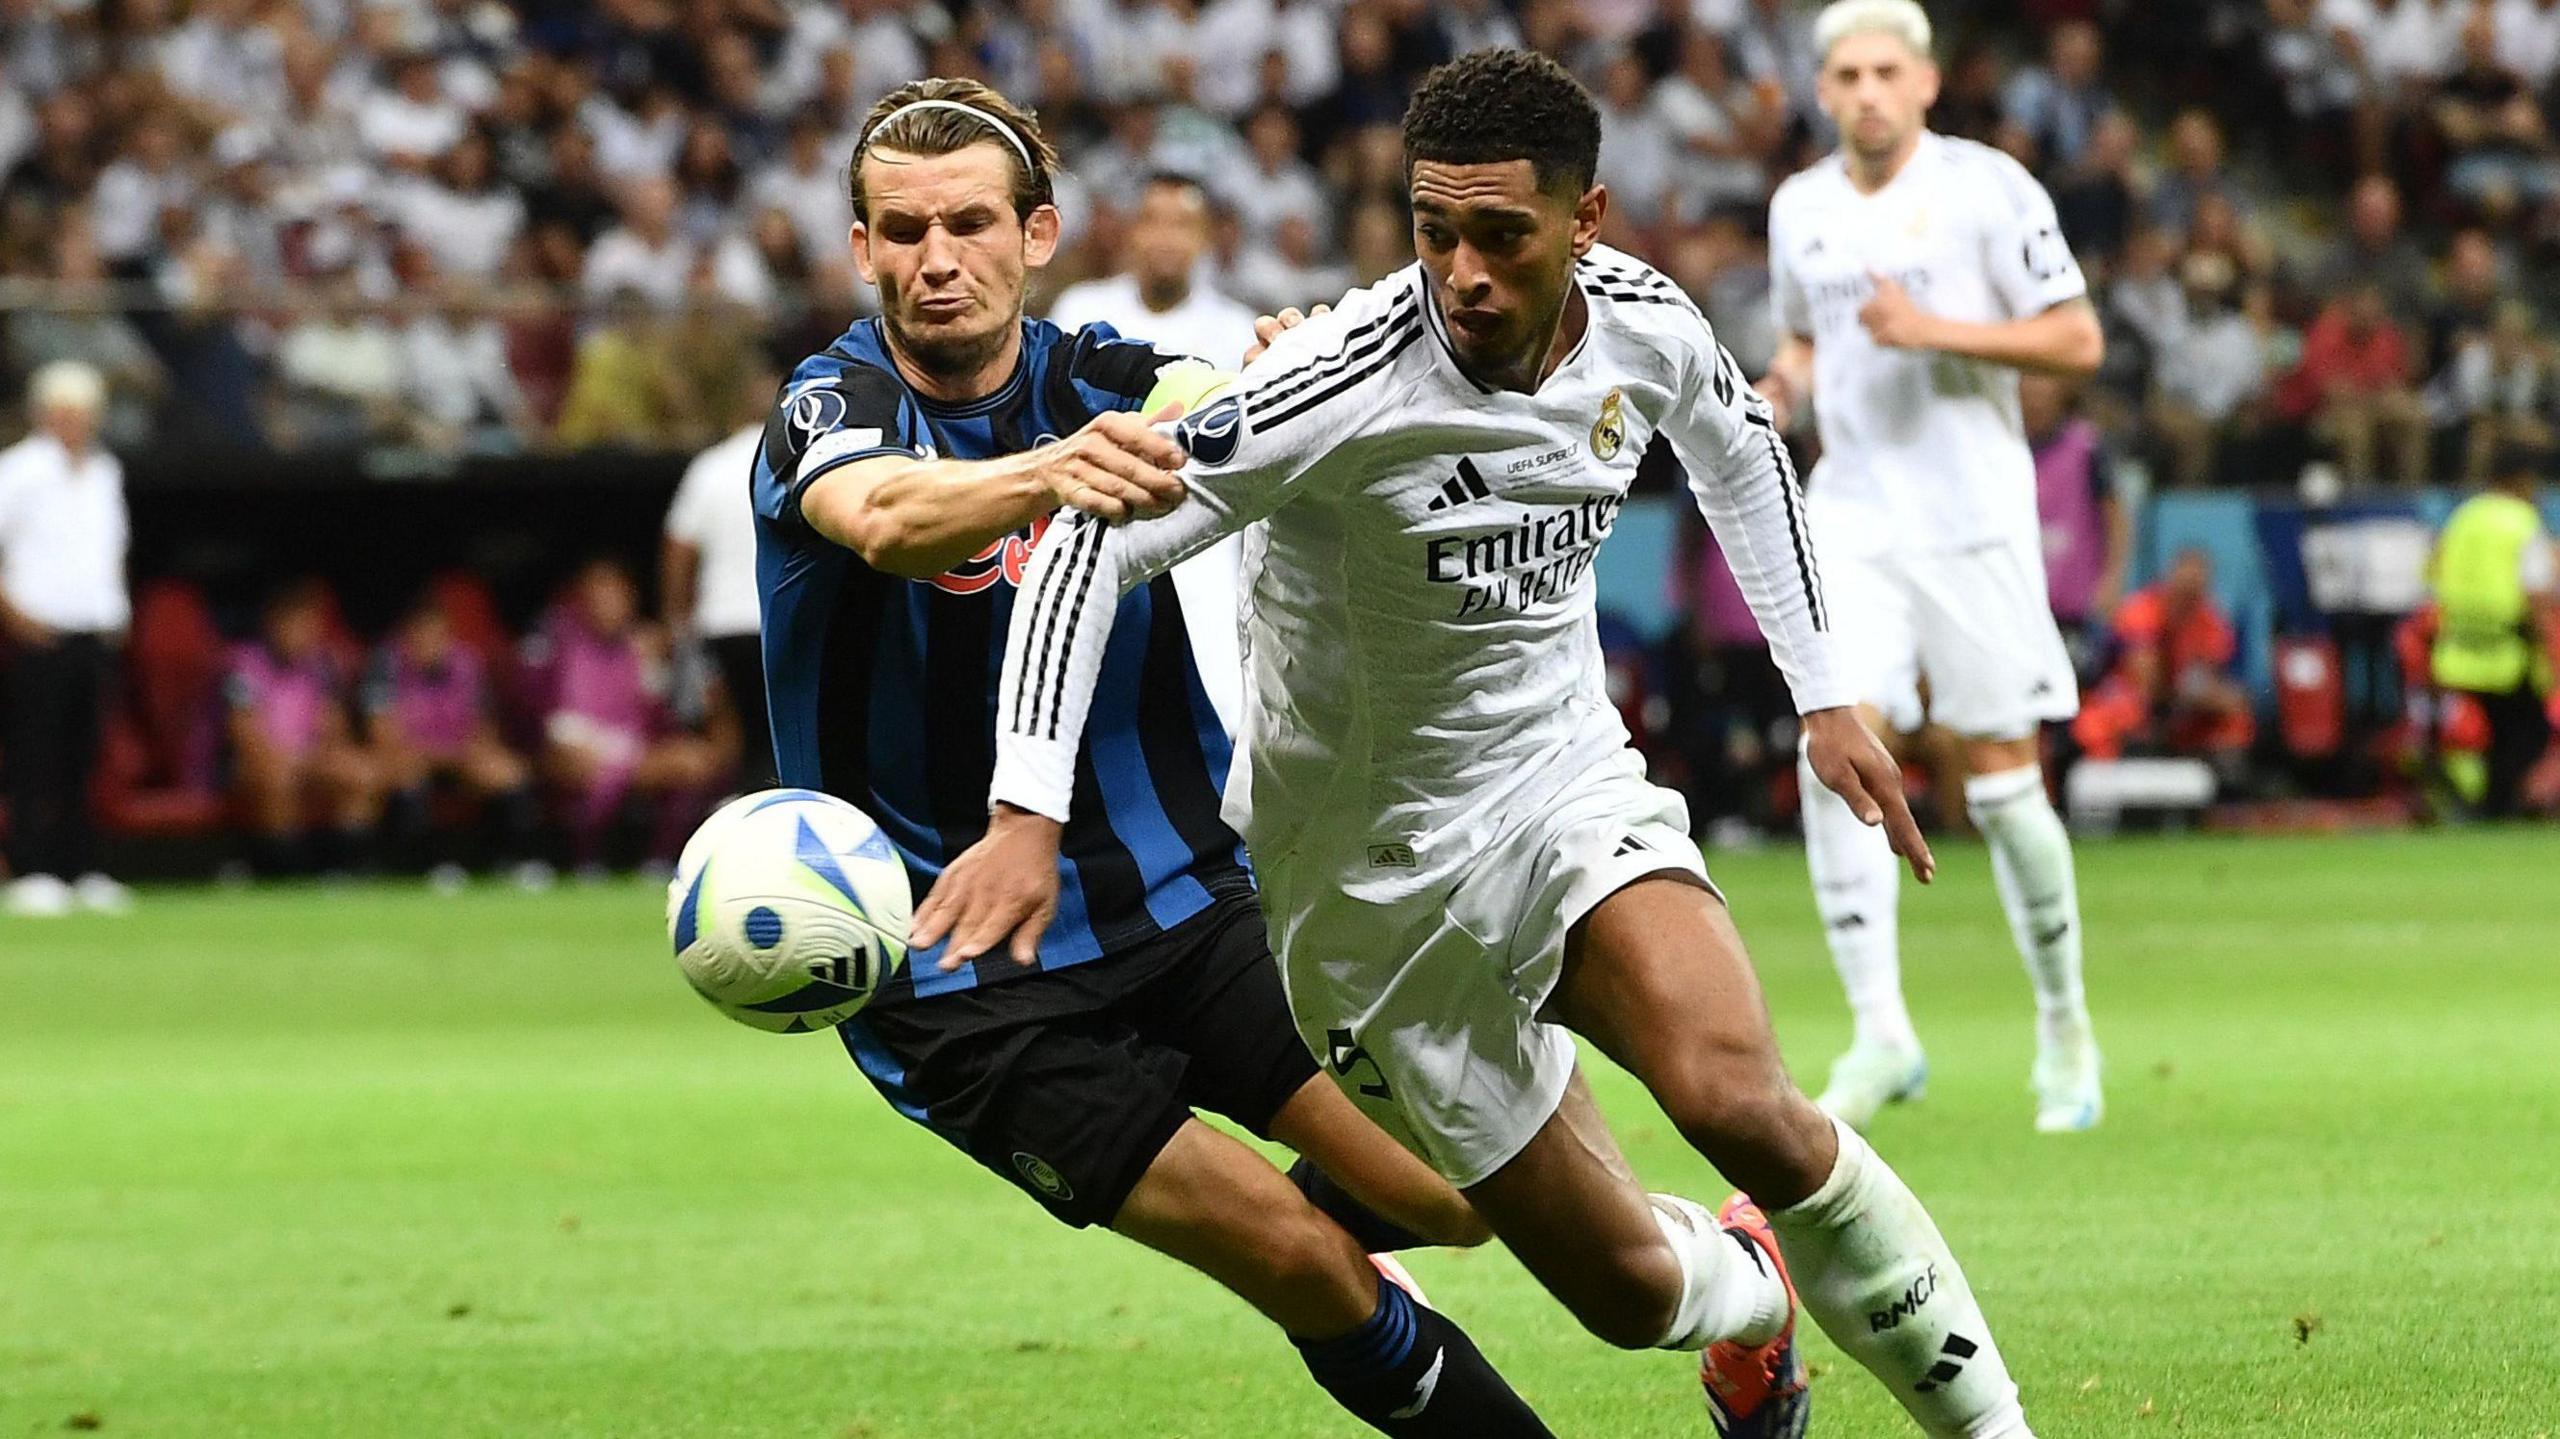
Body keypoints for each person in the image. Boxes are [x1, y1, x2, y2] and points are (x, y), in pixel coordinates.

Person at [926, 47, 2043, 1439]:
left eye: (1500, 234)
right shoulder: (1333, 382)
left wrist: (1826, 693)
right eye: (1431, 230)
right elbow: (1087, 544)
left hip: (1559, 791)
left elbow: (1740, 448)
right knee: (1631, 1290)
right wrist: (1024, 807)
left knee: (1735, 1093)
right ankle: (1754, 1293)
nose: (1461, 269)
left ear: (1584, 221)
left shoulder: (1647, 321)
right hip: (1364, 897)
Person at [749, 78, 1553, 1437]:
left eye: (966, 224)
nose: (933, 260)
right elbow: (884, 517)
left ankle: (1684, 1317)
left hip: (1187, 897)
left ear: (1039, 232)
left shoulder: (1100, 373)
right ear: (859, 249)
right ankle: (1317, 1277)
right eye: (899, 231)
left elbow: (1216, 399)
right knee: (1307, 1262)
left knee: (1464, 1192)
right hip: (962, 975)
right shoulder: (827, 407)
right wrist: (1052, 474)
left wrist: (1288, 379)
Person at [1755, 0, 2108, 1134]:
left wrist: (1938, 331)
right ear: (1823, 90)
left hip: (1973, 521)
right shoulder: (1797, 208)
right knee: (1838, 747)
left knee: (2004, 784)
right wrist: (1777, 392)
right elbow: (1807, 338)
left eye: (1884, 72)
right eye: (1846, 72)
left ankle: (2063, 1027)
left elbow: (2075, 338)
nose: (1865, 90)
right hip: (1851, 514)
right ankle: (1881, 1033)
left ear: (1924, 83)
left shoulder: (1989, 188)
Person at [1042, 169, 1260, 731]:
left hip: (1206, 553)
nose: (1166, 237)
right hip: (1096, 535)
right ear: (1129, 233)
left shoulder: (1237, 329)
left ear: (1207, 237)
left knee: (1216, 718)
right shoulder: (1079, 314)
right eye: (1152, 220)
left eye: (1183, 224)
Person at [0, 362, 134, 916]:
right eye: (64, 413)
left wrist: (116, 606)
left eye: (83, 414)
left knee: (85, 757)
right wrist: (15, 617)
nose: (74, 423)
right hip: (40, 633)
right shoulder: (18, 470)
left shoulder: (106, 471)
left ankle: (79, 868)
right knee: (35, 756)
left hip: (95, 630)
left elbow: (113, 546)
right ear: (44, 414)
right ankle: (30, 869)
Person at [525, 557, 729, 870]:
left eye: (615, 595)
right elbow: (535, 711)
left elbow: (665, 717)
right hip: (573, 749)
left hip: (634, 751)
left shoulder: (647, 645)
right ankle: (584, 860)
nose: (607, 605)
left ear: (630, 598)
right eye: (598, 595)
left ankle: (660, 861)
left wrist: (655, 667)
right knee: (581, 764)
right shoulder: (558, 642)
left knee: (693, 761)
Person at [363, 593, 545, 884]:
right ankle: (425, 865)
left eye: (435, 633)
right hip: (412, 757)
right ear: (406, 635)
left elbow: (485, 728)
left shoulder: (468, 663)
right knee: (406, 775)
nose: (427, 641)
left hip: (459, 755)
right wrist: (434, 754)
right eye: (419, 633)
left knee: (508, 772)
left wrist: (468, 753)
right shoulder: (385, 663)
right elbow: (381, 733)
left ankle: (517, 861)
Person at [2428, 444, 2558, 817]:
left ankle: (2486, 804)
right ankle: (2506, 808)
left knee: (2493, 734)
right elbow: (2537, 593)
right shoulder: (2521, 522)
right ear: (2520, 482)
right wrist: (2550, 649)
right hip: (2507, 651)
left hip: (2460, 649)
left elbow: (2433, 572)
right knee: (2525, 732)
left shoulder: (2463, 517)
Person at [663, 364, 777, 787]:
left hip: (723, 625)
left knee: (733, 737)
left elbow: (678, 551)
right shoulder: (794, 464)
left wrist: (678, 624)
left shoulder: (709, 467)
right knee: (782, 737)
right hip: (780, 623)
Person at [226, 579, 382, 876]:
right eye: (296, 623)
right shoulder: (245, 663)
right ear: (275, 622)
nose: (305, 633)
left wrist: (318, 755)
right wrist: (285, 759)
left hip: (309, 757)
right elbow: (243, 733)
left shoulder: (322, 664)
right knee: (276, 774)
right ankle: (282, 870)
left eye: (310, 624)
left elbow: (334, 727)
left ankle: (343, 868)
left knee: (360, 772)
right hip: (260, 760)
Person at [2071, 549, 2257, 781]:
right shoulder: (2141, 610)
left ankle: (2226, 792)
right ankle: (2102, 793)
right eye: (2183, 588)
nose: (2187, 598)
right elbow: (2145, 682)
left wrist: (2216, 697)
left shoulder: (2210, 622)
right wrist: (2191, 692)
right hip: (2128, 697)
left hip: (2180, 705)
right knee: (2112, 716)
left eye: (2194, 591)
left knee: (2234, 718)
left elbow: (2208, 679)